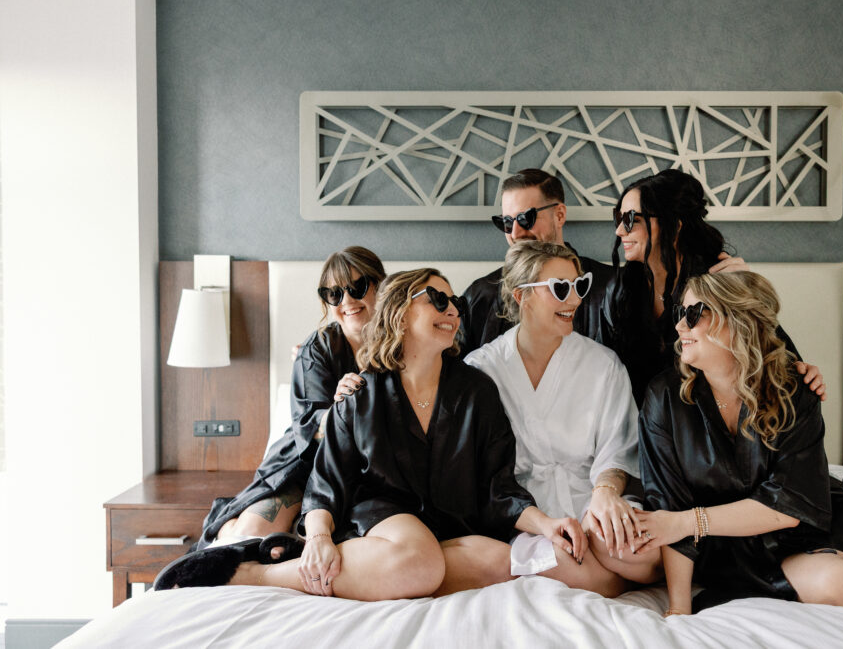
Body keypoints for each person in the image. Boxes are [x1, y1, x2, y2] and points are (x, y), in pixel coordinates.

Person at [156, 269, 582, 600]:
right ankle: (255, 573)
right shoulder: (361, 395)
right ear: (399, 312)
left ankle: (378, 571)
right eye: (437, 299)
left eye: (455, 301)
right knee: (421, 560)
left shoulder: (477, 392)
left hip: (450, 525)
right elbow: (326, 484)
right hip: (382, 522)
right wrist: (319, 537)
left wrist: (545, 524)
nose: (453, 310)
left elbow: (498, 490)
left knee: (500, 561)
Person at [635, 271, 843, 615]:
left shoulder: (793, 388)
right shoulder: (664, 397)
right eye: (680, 313)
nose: (679, 326)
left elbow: (789, 504)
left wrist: (689, 521)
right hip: (730, 543)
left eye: (693, 314)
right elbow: (668, 509)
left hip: (808, 516)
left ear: (739, 322)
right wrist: (679, 606)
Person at [461, 241, 660, 596]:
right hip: (529, 514)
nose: (575, 299)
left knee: (638, 553)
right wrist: (539, 522)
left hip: (592, 495)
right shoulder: (481, 370)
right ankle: (601, 579)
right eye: (560, 288)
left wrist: (605, 493)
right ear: (521, 296)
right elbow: (482, 475)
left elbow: (619, 445)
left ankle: (599, 565)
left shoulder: (602, 364)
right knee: (567, 563)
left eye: (580, 285)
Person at [194, 247, 385, 553]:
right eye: (334, 294)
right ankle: (228, 523)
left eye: (357, 287)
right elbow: (309, 428)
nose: (347, 301)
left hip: (372, 468)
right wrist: (341, 408)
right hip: (305, 461)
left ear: (381, 285)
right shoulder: (316, 351)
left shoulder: (404, 345)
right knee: (251, 539)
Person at [606, 168, 825, 403]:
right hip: (637, 418)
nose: (620, 230)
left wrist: (802, 371)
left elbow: (774, 352)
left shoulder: (715, 280)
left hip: (703, 417)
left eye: (631, 220)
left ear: (674, 226)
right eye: (619, 218)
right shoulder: (622, 289)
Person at [460, 168, 615, 351]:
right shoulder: (479, 297)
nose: (515, 233)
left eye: (525, 219)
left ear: (559, 215)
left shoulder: (610, 288)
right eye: (507, 222)